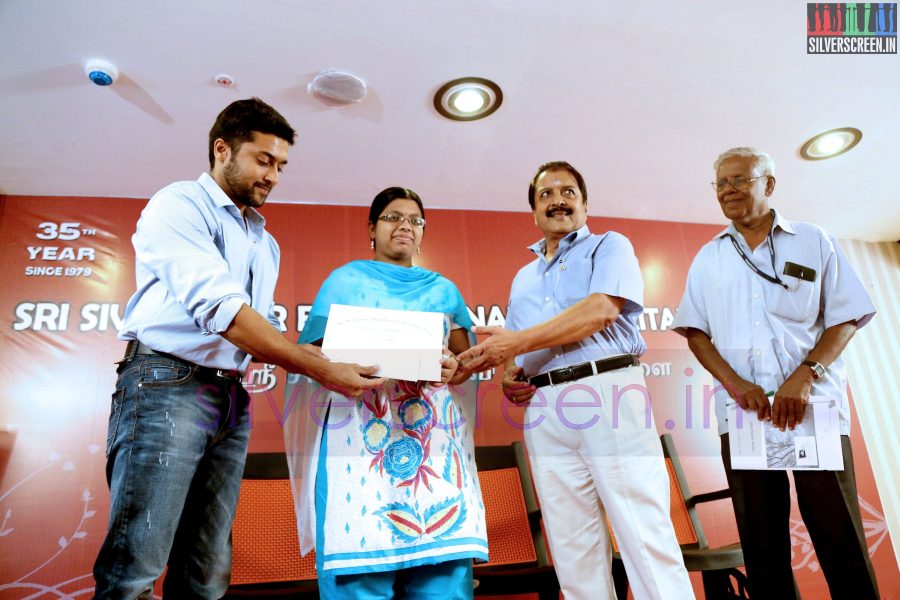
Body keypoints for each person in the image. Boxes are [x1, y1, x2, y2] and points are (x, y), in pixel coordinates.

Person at [93, 98, 383, 599]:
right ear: (221, 149)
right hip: (166, 384)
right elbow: (223, 309)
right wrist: (319, 367)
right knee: (135, 570)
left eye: (281, 165)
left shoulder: (264, 243)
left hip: (229, 397)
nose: (273, 175)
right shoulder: (180, 203)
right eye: (263, 160)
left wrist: (333, 357)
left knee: (206, 572)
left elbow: (260, 323)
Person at [458, 162, 693, 600]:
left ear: (585, 204)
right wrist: (511, 373)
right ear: (533, 213)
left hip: (607, 390)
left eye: (568, 192)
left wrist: (514, 344)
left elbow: (600, 311)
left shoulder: (609, 246)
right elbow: (519, 353)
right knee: (571, 547)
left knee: (644, 535)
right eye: (546, 195)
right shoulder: (522, 278)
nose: (558, 200)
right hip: (546, 408)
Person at [672, 147, 879, 599]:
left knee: (839, 534)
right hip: (745, 416)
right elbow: (695, 333)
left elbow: (846, 317)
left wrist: (806, 374)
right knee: (762, 547)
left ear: (768, 185)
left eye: (739, 180)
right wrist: (736, 384)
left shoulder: (813, 240)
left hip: (814, 410)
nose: (728, 190)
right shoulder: (708, 258)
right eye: (721, 183)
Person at [284, 187, 487, 599]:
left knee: (442, 573)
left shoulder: (444, 290)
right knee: (359, 567)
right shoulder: (343, 282)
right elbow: (307, 354)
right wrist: (340, 364)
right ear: (371, 230)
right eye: (394, 217)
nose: (405, 226)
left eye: (415, 220)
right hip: (358, 434)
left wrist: (454, 368)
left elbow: (468, 363)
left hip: (431, 437)